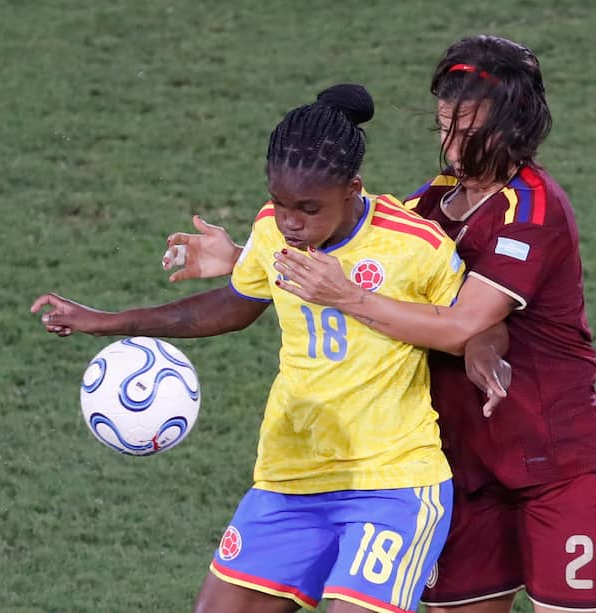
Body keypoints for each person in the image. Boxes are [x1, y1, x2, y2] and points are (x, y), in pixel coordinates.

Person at [163, 36, 596, 613]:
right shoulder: (430, 206)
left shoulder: (533, 211)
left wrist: (349, 297)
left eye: (469, 133)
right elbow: (371, 256)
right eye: (444, 129)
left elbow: (463, 323)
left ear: (513, 129)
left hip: (556, 462)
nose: (453, 148)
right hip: (467, 467)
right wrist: (243, 258)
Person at [32, 84, 466, 613]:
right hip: (289, 474)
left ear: (353, 188)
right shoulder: (272, 232)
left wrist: (487, 353)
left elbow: (472, 325)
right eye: (280, 203)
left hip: (391, 482)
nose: (290, 221)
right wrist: (106, 321)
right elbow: (233, 306)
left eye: (308, 208)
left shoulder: (415, 246)